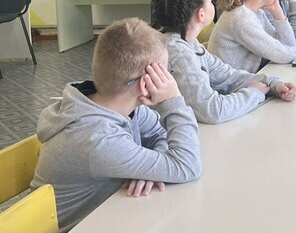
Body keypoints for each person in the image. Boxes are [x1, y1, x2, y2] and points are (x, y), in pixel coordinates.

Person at [30, 18, 202, 231]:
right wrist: (173, 99)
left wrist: (152, 167)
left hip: (104, 218)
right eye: (166, 72)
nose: (169, 79)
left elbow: (160, 133)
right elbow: (187, 165)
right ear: (146, 83)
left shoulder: (114, 103)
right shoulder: (98, 139)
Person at [151, 0, 296, 124]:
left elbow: (228, 77)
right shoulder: (179, 54)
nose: (213, 4)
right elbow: (212, 111)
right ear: (201, 14)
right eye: (210, 1)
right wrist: (254, 93)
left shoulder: (189, 43)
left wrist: (271, 83)